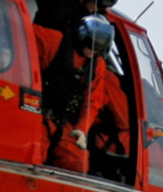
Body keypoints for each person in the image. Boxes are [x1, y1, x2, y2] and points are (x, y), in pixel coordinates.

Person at [42, 15, 131, 178]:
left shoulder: (97, 65)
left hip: (63, 123)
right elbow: (23, 38)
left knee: (77, 164)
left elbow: (93, 100)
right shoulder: (54, 41)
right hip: (39, 114)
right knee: (32, 152)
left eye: (98, 49)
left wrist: (82, 129)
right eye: (92, 45)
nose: (93, 52)